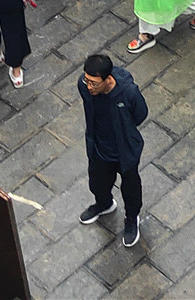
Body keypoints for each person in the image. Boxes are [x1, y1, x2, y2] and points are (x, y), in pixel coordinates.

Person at [77, 53, 149, 248]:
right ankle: (104, 204)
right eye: (87, 80)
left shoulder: (128, 92)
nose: (89, 86)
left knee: (131, 187)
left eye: (94, 83)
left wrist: (124, 129)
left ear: (108, 79)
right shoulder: (83, 86)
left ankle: (131, 218)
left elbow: (140, 114)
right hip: (99, 148)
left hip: (125, 151)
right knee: (98, 181)